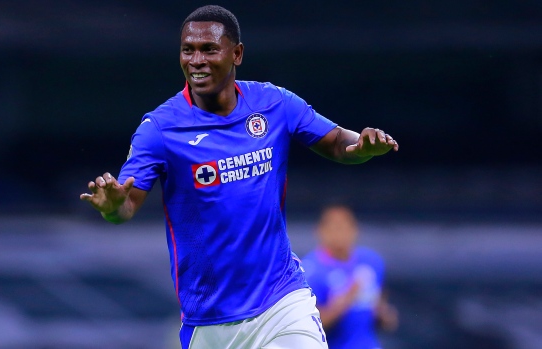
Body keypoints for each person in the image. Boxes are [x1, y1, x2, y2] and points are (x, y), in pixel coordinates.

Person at [80, 5, 398, 349]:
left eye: (209, 49)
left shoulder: (274, 103)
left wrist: (360, 148)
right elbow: (126, 204)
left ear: (237, 54)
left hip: (281, 301)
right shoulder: (159, 129)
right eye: (188, 50)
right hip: (209, 320)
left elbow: (336, 141)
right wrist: (112, 206)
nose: (196, 60)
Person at [302, 205, 399, 349]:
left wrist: (383, 314)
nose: (340, 233)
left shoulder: (371, 261)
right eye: (334, 227)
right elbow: (308, 325)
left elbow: (381, 309)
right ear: (320, 231)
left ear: (355, 230)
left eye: (345, 227)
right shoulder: (310, 270)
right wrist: (347, 297)